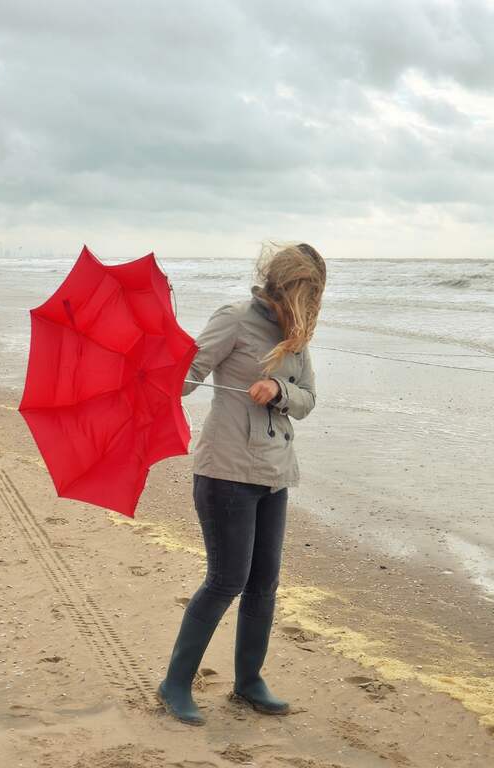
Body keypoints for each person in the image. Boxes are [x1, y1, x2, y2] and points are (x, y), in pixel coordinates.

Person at [158, 242, 326, 725]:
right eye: (304, 293)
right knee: (226, 580)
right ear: (283, 285)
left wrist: (279, 390)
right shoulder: (234, 319)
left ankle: (248, 682)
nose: (310, 305)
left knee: (263, 585)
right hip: (226, 471)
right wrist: (161, 357)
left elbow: (309, 399)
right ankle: (174, 684)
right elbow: (186, 378)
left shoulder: (296, 335)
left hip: (275, 474)